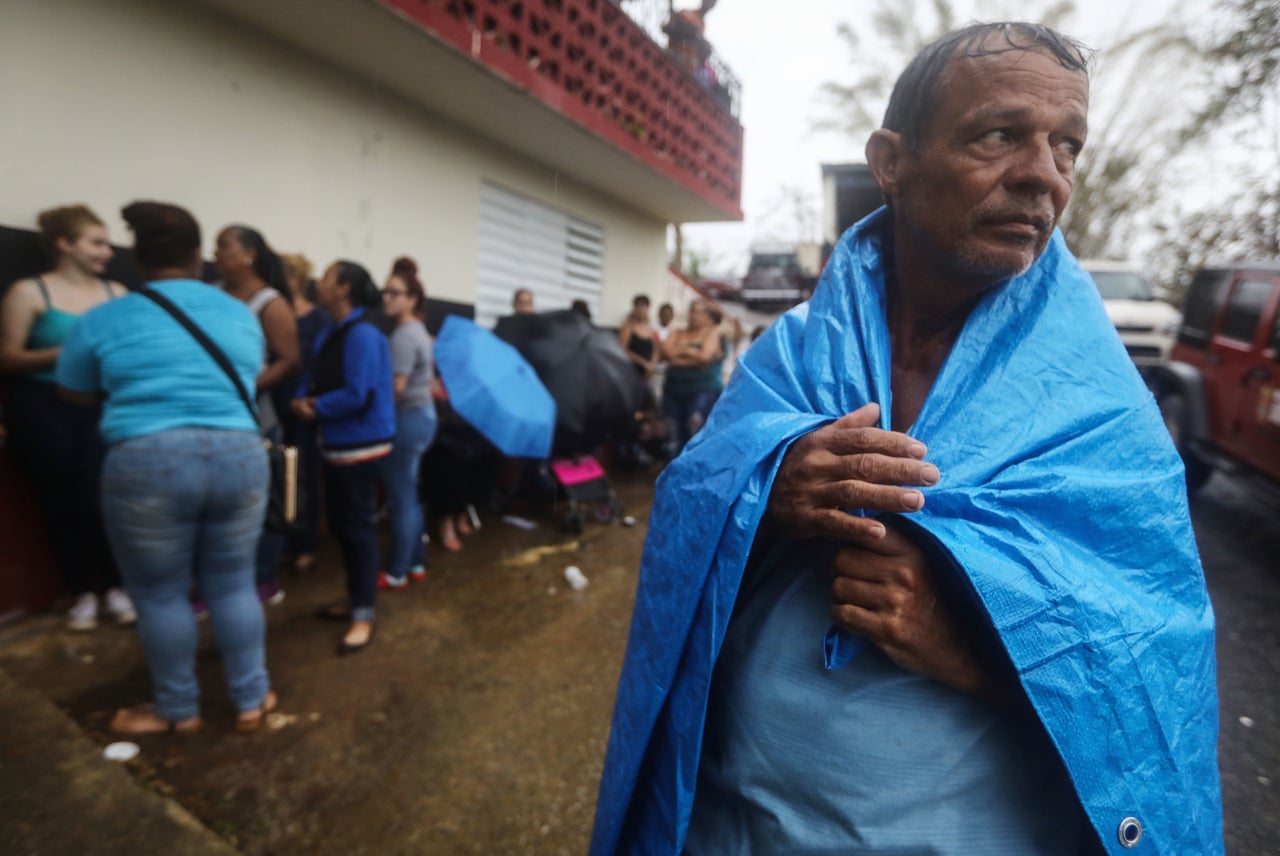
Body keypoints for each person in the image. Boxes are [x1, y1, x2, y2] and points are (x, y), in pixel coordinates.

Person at [592, 22, 1222, 856]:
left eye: (1066, 147)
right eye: (1000, 135)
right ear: (892, 161)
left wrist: (968, 647)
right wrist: (771, 485)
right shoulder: (796, 352)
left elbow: (1154, 666)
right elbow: (688, 501)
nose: (1044, 177)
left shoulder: (1103, 407)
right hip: (736, 822)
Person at [56, 201, 275, 734]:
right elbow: (248, 376)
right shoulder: (239, 313)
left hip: (147, 459)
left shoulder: (104, 317)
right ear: (199, 256)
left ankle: (178, 710)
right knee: (233, 583)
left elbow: (73, 390)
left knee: (160, 594)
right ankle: (251, 698)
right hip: (239, 453)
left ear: (137, 258)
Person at [0, 204, 134, 630]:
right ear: (64, 244)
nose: (107, 251)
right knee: (60, 501)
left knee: (104, 497)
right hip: (43, 404)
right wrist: (67, 353)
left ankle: (115, 586)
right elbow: (8, 356)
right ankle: (81, 593)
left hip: (102, 402)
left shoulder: (118, 294)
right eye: (96, 242)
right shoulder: (29, 292)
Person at [291, 261, 395, 655]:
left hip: (361, 448)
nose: (319, 283)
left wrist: (314, 407)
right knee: (341, 528)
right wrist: (303, 396)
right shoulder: (332, 333)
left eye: (328, 278)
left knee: (358, 531)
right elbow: (313, 376)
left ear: (344, 288)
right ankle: (354, 598)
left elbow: (359, 394)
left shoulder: (365, 334)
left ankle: (363, 614)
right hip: (335, 445)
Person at [214, 225, 301, 606]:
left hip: (255, 420)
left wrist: (249, 388)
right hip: (213, 417)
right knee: (219, 505)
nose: (215, 252)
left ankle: (263, 578)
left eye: (224, 246)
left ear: (249, 253)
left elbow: (289, 359)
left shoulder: (270, 302)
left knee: (263, 504)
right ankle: (221, 583)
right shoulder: (213, 295)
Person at [377, 257, 438, 588]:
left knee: (401, 497)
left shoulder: (403, 336)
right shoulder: (421, 333)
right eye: (385, 292)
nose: (387, 298)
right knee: (409, 494)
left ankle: (397, 571)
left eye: (395, 293)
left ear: (412, 299)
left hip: (408, 420)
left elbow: (395, 389)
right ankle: (414, 563)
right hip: (423, 417)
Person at [279, 253, 329, 575]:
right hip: (272, 405)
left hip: (303, 409)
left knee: (303, 478)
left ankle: (306, 544)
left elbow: (323, 367)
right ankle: (280, 540)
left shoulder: (318, 319)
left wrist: (309, 401)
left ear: (295, 279)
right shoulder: (273, 313)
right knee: (275, 478)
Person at [658, 299, 722, 453]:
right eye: (692, 311)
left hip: (701, 390)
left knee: (694, 428)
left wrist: (678, 353)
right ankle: (673, 469)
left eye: (699, 312)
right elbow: (664, 352)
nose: (694, 315)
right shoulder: (676, 332)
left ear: (707, 317)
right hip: (673, 389)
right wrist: (692, 352)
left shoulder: (711, 335)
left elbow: (704, 357)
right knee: (672, 430)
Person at [617, 294, 659, 381]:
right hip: (630, 371)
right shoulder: (628, 327)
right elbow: (623, 350)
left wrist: (652, 364)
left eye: (644, 307)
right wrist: (644, 363)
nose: (641, 311)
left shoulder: (650, 328)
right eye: (638, 307)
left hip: (647, 374)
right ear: (634, 308)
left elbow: (656, 350)